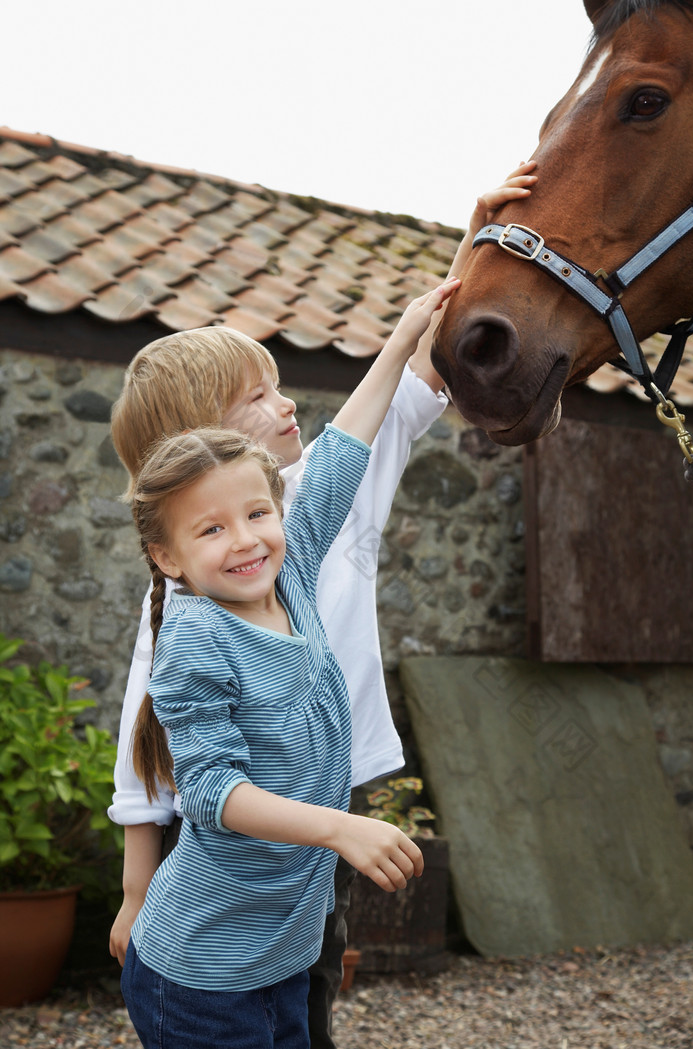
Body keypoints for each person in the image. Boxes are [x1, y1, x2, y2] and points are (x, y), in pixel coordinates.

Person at [108, 163, 538, 1048]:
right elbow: (163, 763)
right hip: (233, 910)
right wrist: (137, 889)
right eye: (255, 395)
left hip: (308, 861)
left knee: (308, 997)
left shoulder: (287, 538)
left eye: (258, 513)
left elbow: (378, 410)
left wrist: (461, 263)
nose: (248, 538)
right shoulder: (191, 616)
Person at [120, 276, 461, 1048]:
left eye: (255, 513)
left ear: (279, 507)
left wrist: (404, 337)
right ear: (165, 554)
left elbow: (344, 444)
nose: (243, 540)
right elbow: (211, 792)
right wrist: (340, 827)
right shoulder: (195, 638)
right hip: (201, 977)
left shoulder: (293, 565)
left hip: (280, 954)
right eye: (210, 530)